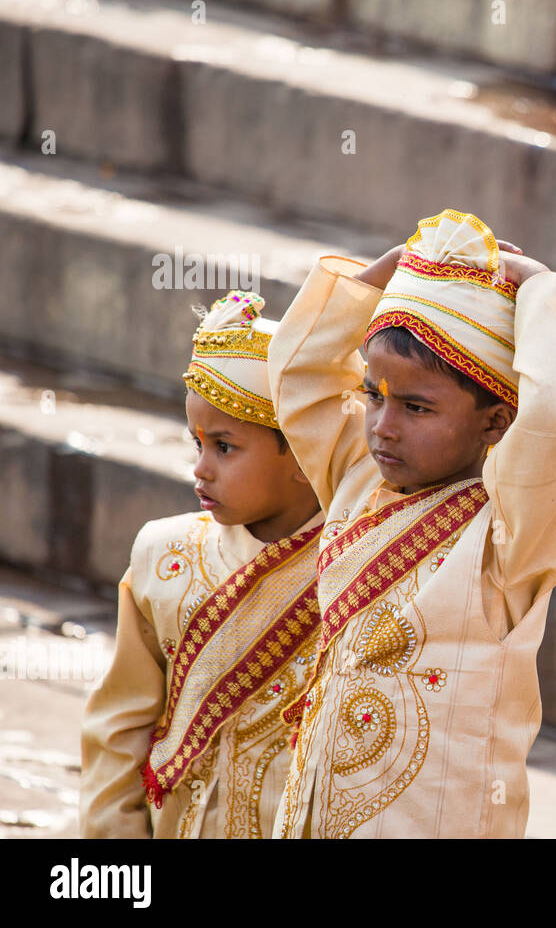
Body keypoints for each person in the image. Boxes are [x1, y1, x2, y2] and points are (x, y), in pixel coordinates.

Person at [267, 209, 556, 838]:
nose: (384, 426)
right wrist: (379, 279)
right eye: (375, 396)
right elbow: (299, 376)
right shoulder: (358, 481)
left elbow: (548, 416)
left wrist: (542, 289)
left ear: (496, 423)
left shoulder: (510, 537)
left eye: (417, 407)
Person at [81, 292, 324, 838]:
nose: (200, 469)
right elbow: (118, 730)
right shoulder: (162, 554)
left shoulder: (353, 569)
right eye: (196, 442)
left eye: (225, 446)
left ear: (305, 454)